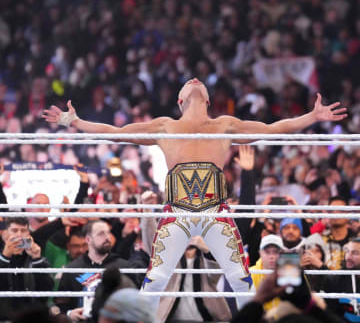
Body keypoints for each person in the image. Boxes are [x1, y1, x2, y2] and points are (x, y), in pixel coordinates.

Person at [43, 77, 347, 310]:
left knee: (240, 278)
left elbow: (272, 129)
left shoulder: (225, 124)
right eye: (188, 83)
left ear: (208, 98)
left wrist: (312, 117)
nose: (195, 80)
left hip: (217, 210)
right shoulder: (164, 126)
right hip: (177, 211)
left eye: (198, 81)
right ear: (180, 100)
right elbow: (116, 133)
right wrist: (75, 121)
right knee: (157, 279)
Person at [55, 220, 142, 321]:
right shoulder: (72, 269)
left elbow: (137, 301)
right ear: (88, 239)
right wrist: (69, 314)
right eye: (101, 233)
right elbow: (60, 306)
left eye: (108, 232)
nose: (107, 237)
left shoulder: (125, 267)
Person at [0, 217, 54, 321]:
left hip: (31, 318)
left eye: (23, 231)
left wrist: (37, 259)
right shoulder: (2, 257)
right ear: (5, 234)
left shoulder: (35, 257)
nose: (19, 235)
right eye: (14, 230)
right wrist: (5, 257)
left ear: (28, 234)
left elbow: (47, 290)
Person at [322, 237, 360, 322]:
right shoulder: (334, 278)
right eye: (347, 251)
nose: (348, 257)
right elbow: (330, 313)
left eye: (355, 253)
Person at [250, 234, 284, 312]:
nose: (271, 256)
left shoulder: (292, 274)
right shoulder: (249, 274)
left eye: (275, 252)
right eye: (267, 252)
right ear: (260, 253)